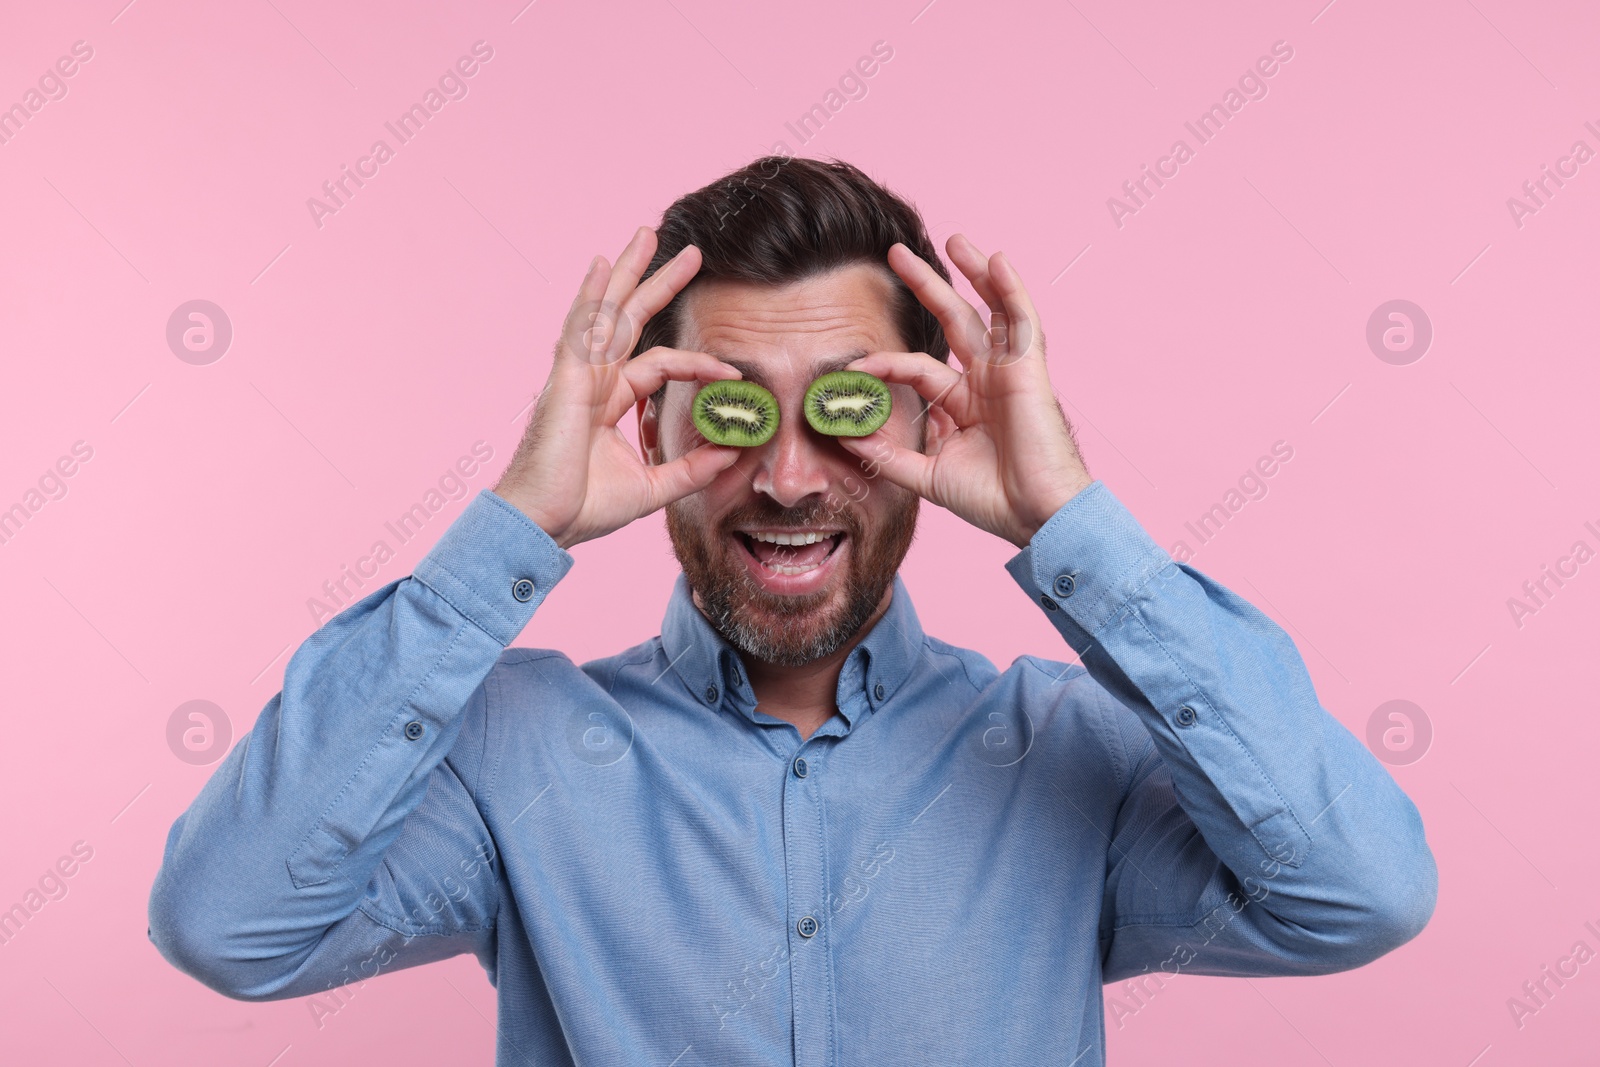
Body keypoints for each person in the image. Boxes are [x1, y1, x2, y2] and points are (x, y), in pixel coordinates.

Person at [148, 156, 1436, 1065]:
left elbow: (1361, 894)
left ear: (937, 416)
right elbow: (228, 924)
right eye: (726, 404)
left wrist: (1070, 518)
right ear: (642, 418)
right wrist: (513, 532)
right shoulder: (511, 754)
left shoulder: (1065, 751)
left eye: (845, 402)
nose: (784, 475)